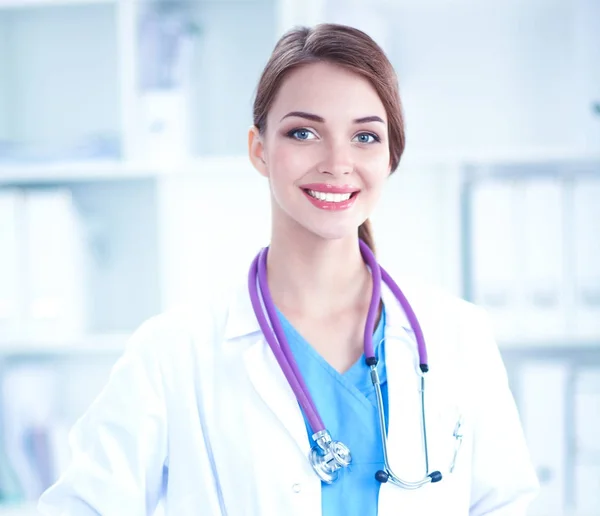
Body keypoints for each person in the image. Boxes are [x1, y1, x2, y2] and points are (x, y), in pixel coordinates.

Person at [38, 23, 539, 515]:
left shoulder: (459, 336)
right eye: (304, 132)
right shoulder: (173, 354)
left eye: (365, 137)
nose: (337, 162)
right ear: (259, 149)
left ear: (390, 158)